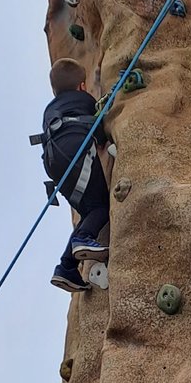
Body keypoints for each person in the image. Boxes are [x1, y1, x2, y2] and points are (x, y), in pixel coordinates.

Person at [41, 58, 111, 292]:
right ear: (82, 86)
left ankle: (66, 268)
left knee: (88, 212)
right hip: (75, 151)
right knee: (101, 206)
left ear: (54, 90)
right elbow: (100, 133)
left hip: (53, 163)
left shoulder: (50, 109)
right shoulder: (85, 100)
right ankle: (82, 240)